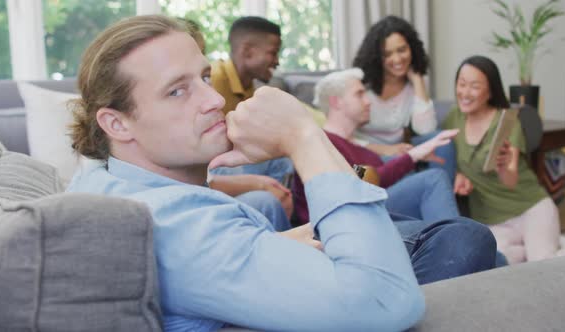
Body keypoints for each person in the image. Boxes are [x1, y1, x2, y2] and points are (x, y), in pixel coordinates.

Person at [66, 15, 424, 331]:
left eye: (205, 77)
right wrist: (303, 138)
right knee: (454, 240)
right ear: (116, 123)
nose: (215, 100)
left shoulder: (101, 180)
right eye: (177, 91)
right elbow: (386, 301)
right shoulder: (182, 226)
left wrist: (276, 242)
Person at [291, 68, 498, 283]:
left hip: (376, 212)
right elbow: (356, 183)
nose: (368, 101)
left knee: (440, 187)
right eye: (359, 94)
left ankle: (460, 246)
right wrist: (414, 155)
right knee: (433, 180)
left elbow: (378, 179)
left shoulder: (366, 150)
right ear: (336, 102)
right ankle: (459, 244)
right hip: (335, 225)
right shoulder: (322, 142)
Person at [443, 55, 565, 264]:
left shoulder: (506, 121)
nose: (465, 93)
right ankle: (555, 243)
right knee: (496, 261)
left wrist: (503, 167)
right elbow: (445, 157)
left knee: (543, 265)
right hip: (492, 222)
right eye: (461, 84)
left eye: (474, 86)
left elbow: (511, 180)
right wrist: (457, 175)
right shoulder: (453, 118)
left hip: (530, 208)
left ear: (490, 90)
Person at [352, 15, 456, 182]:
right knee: (398, 169)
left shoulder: (413, 85)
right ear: (377, 57)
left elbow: (426, 131)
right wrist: (383, 149)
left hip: (398, 155)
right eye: (387, 54)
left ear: (412, 49)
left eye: (401, 50)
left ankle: (443, 194)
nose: (397, 59)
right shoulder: (360, 83)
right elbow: (338, 138)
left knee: (443, 142)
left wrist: (417, 80)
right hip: (357, 163)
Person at [209, 16, 293, 186]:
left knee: (286, 158)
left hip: (236, 159)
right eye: (273, 52)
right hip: (214, 166)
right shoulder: (213, 80)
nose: (276, 62)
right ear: (247, 51)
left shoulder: (250, 89)